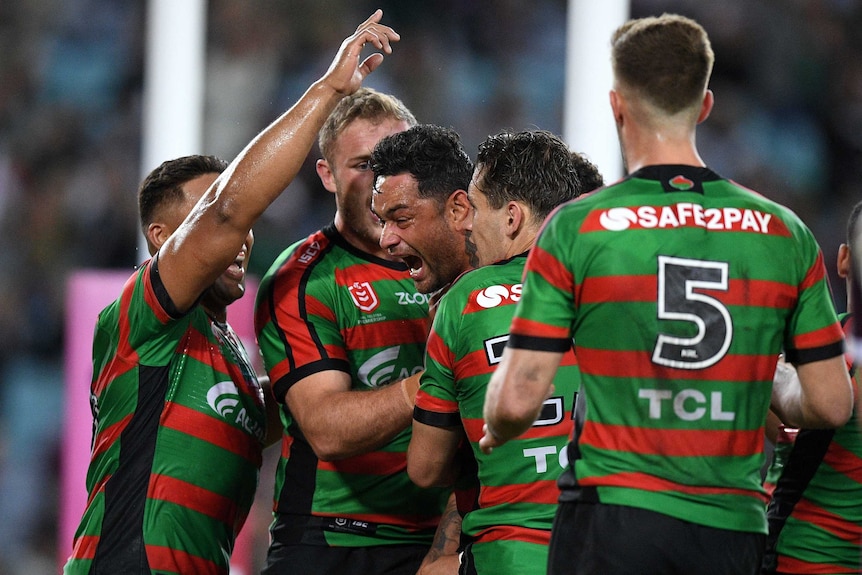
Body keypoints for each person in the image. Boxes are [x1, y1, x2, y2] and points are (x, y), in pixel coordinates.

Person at [479, 13, 855, 575]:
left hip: (612, 518)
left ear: (617, 106)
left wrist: (496, 429)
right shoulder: (785, 233)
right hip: (730, 528)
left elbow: (515, 400)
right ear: (705, 106)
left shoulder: (578, 226)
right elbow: (830, 404)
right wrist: (773, 379)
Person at [63, 10, 401, 575]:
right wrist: (328, 90)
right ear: (162, 239)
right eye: (205, 224)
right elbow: (227, 209)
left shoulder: (233, 368)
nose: (238, 239)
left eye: (244, 233)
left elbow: (308, 400)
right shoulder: (142, 318)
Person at [252, 97, 455, 572]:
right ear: (327, 175)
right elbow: (324, 428)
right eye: (364, 165)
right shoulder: (303, 279)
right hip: (331, 539)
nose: (382, 181)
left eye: (396, 161)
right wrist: (440, 382)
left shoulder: (461, 267)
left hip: (437, 541)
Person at [406, 130, 603, 575]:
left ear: (512, 217)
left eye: (475, 208)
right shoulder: (614, 286)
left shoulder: (463, 299)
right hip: (607, 546)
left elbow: (425, 467)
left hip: (510, 552)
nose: (466, 224)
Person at [762, 200, 862, 575]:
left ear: (843, 260)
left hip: (799, 559)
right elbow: (790, 434)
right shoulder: (818, 343)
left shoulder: (824, 352)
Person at [370, 123, 476, 298]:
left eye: (401, 219)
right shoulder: (447, 305)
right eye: (382, 222)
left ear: (457, 210)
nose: (385, 240)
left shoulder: (509, 299)